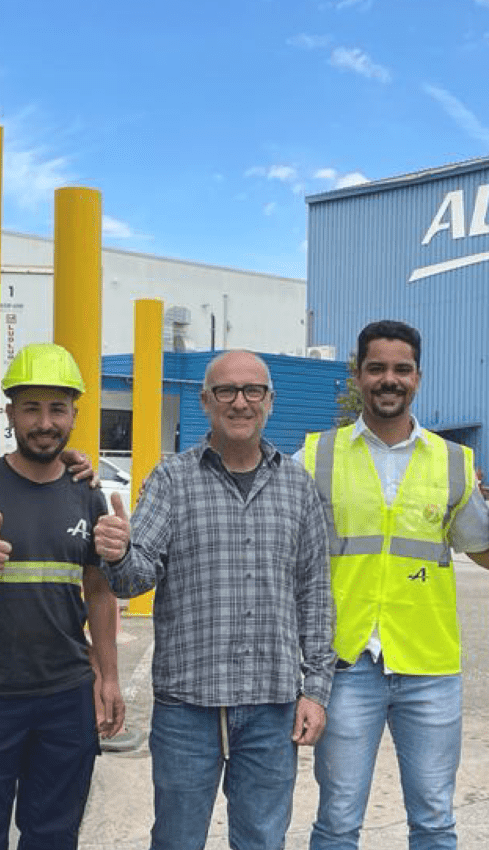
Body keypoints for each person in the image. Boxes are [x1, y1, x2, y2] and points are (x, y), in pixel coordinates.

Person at [94, 349, 335, 850]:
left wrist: (315, 689)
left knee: (262, 841)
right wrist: (117, 556)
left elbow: (314, 592)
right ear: (206, 401)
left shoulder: (297, 486)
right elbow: (134, 578)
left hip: (272, 707)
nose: (240, 402)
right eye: (226, 391)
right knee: (177, 840)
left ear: (270, 401)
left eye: (253, 391)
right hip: (188, 708)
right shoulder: (172, 480)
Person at [299, 319, 489, 850]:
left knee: (434, 820)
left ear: (418, 376)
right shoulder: (315, 456)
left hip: (429, 668)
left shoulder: (454, 462)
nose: (390, 379)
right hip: (344, 665)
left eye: (401, 369)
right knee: (338, 819)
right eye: (377, 368)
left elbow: (487, 547)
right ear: (358, 376)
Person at [0, 342, 123, 850]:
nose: (45, 422)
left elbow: (98, 591)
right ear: (10, 412)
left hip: (65, 696)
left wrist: (109, 676)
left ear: (74, 414)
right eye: (31, 407)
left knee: (54, 836)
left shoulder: (87, 492)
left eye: (57, 408)